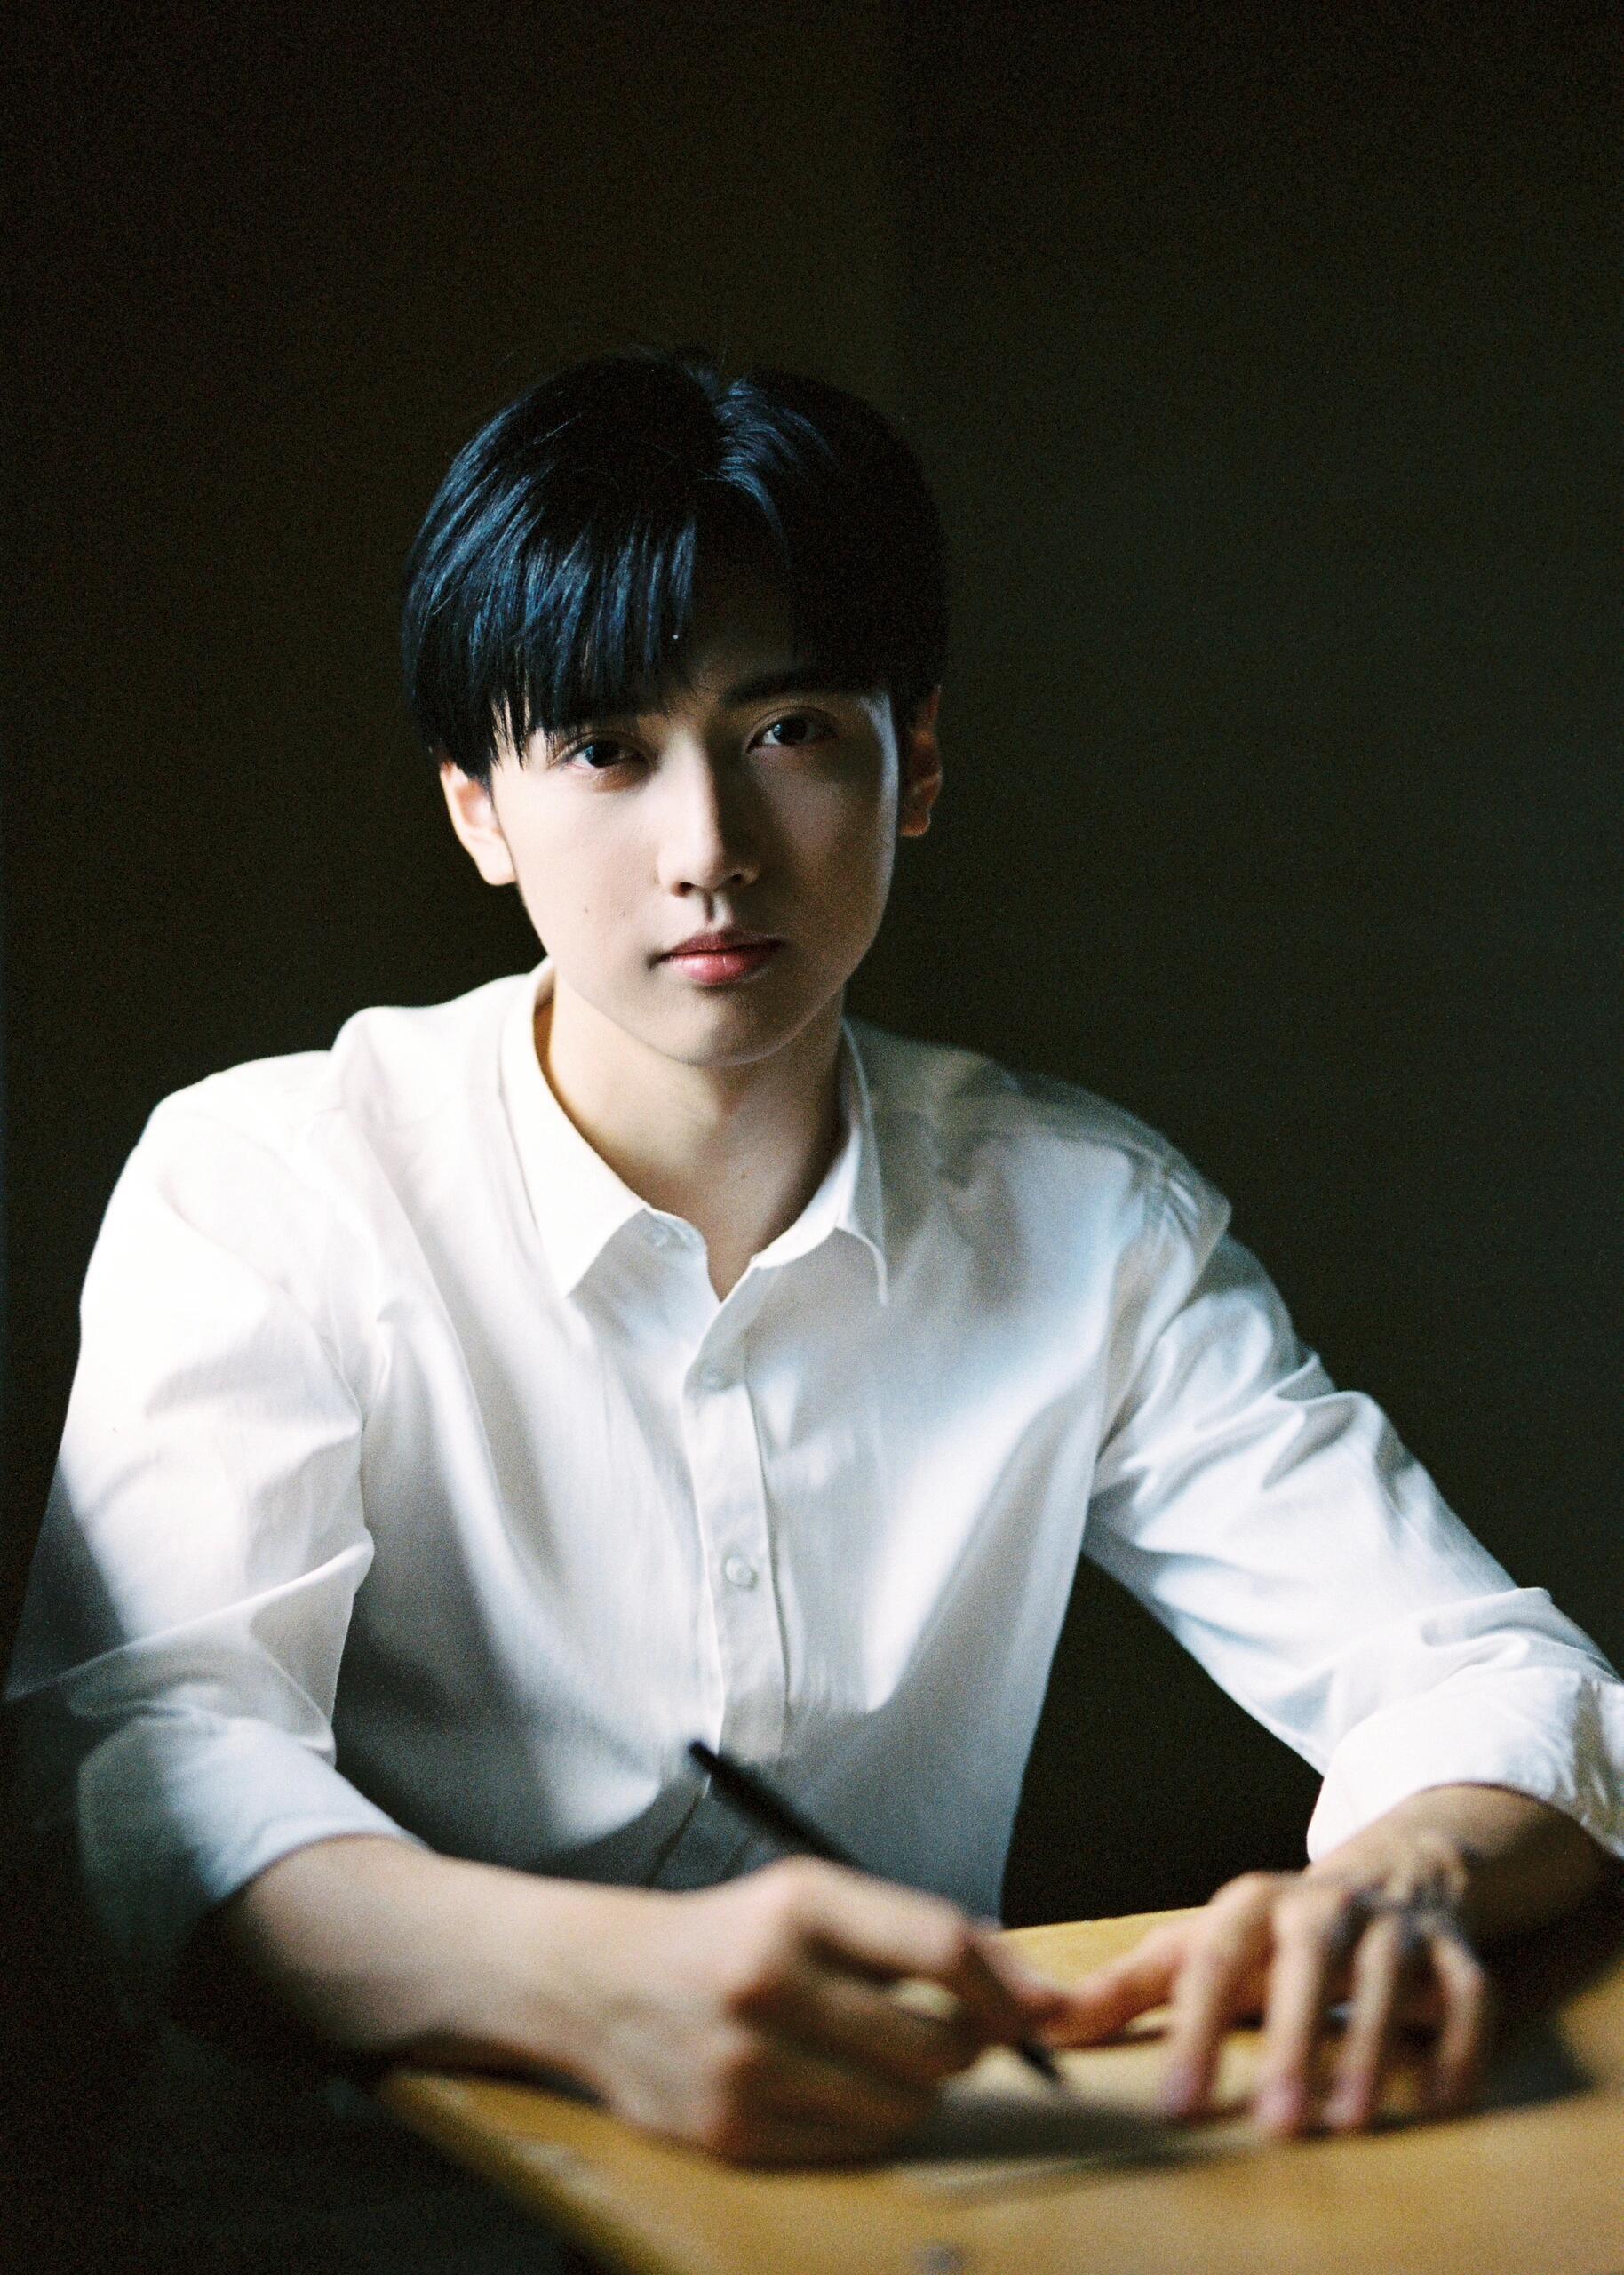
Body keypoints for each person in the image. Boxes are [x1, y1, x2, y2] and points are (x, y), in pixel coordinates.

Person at [8, 354, 1622, 2179]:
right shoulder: (270, 1182)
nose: (708, 850)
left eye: (786, 731)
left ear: (912, 761)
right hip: (346, 2216)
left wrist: (1400, 1877)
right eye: (604, 750)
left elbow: (1488, 1677)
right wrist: (586, 1988)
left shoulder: (1081, 1219)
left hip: (880, 2199)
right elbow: (143, 1768)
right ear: (477, 810)